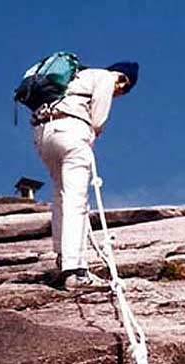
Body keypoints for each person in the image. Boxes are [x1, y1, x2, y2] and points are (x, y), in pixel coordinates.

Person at [32, 61, 139, 291]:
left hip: (43, 134)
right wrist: (93, 133)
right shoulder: (106, 77)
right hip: (71, 133)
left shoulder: (75, 79)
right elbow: (98, 118)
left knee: (60, 197)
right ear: (122, 78)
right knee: (76, 200)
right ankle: (75, 270)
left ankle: (62, 259)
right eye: (124, 88)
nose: (119, 92)